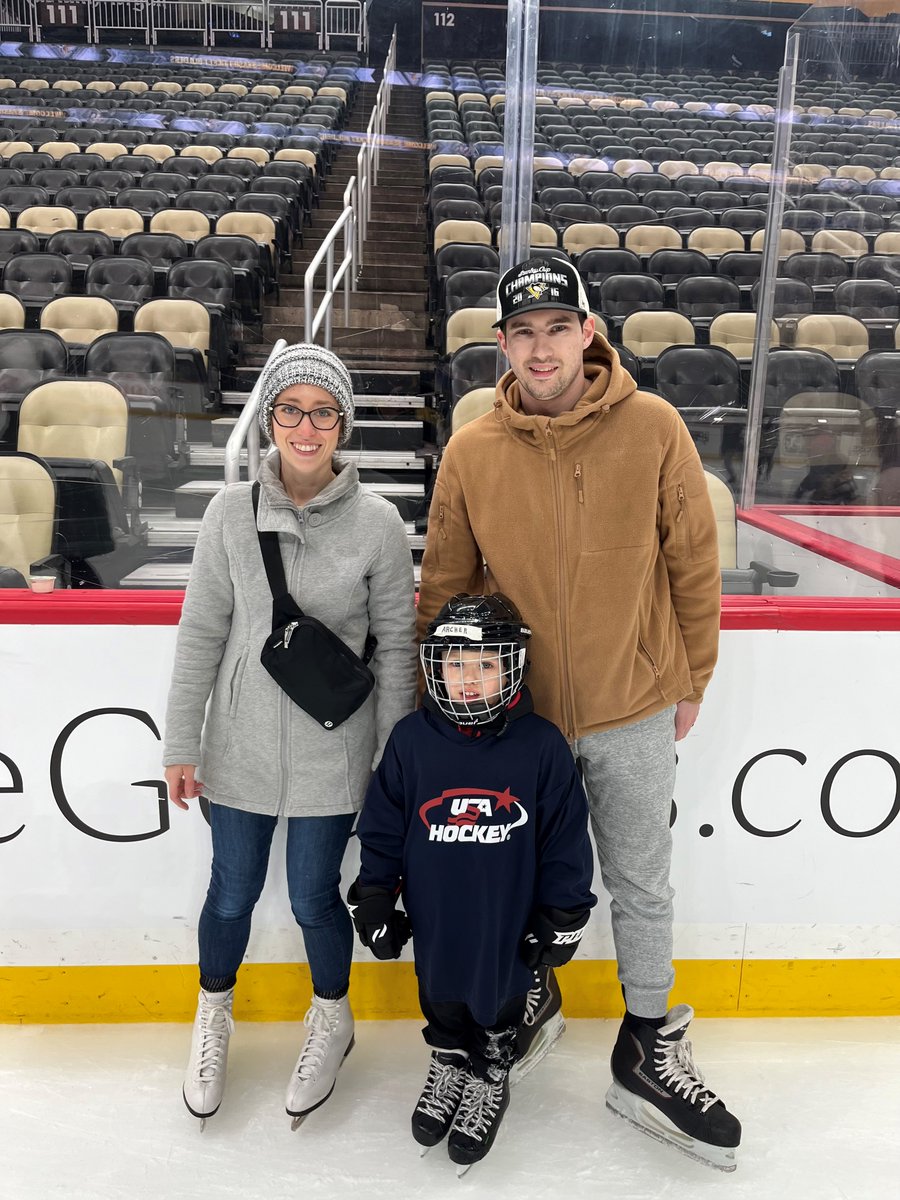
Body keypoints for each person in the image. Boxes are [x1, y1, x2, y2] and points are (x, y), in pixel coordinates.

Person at [416, 258, 742, 1172]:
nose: (541, 347)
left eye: (557, 327)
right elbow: (444, 586)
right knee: (514, 889)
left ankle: (646, 1045)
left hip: (632, 704)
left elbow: (692, 562)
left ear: (589, 332)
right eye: (522, 333)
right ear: (502, 348)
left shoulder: (654, 428)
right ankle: (532, 1002)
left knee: (641, 881)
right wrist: (437, 714)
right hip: (514, 723)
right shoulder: (473, 449)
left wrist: (690, 679)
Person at [163, 342, 417, 1130]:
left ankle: (332, 1016)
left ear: (343, 423)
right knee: (231, 890)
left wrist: (389, 761)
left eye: (324, 412)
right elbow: (201, 630)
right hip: (237, 744)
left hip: (333, 751)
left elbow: (399, 649)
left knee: (314, 896)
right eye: (291, 410)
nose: (307, 429)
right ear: (270, 418)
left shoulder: (378, 524)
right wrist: (182, 742)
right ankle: (213, 1015)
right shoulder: (227, 514)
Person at [348, 593, 596, 1174]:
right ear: (435, 667)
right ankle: (450, 1060)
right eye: (456, 664)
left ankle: (490, 1069)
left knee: (499, 998)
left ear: (511, 667)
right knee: (440, 993)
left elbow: (564, 841)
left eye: (485, 665)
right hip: (436, 915)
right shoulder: (411, 741)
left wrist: (563, 915)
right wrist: (377, 894)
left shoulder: (542, 746)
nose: (467, 680)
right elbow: (383, 828)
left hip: (507, 920)